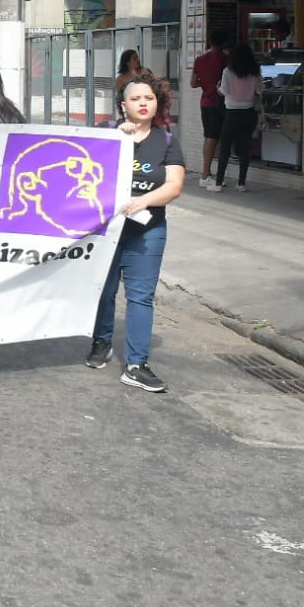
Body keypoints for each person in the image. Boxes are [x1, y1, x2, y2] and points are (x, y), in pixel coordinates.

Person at [85, 75, 186, 392]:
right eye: (136, 98)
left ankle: (136, 364)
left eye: (149, 98)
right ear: (122, 105)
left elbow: (174, 186)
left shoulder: (166, 141)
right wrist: (117, 137)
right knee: (104, 289)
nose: (143, 103)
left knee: (140, 296)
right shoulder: (104, 134)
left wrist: (143, 201)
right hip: (106, 230)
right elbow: (79, 166)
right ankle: (101, 341)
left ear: (157, 104)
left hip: (148, 230)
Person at [211, 43, 260, 192]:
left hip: (232, 113)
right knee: (244, 148)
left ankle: (219, 183)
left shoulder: (228, 72)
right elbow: (259, 91)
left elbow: (224, 91)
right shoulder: (255, 72)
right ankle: (241, 183)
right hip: (249, 113)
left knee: (225, 147)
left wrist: (217, 88)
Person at [190, 29, 229, 188]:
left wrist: (205, 84)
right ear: (224, 43)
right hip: (218, 103)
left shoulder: (199, 59)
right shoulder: (226, 59)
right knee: (213, 139)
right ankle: (205, 174)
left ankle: (207, 173)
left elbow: (193, 83)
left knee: (208, 137)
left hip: (205, 102)